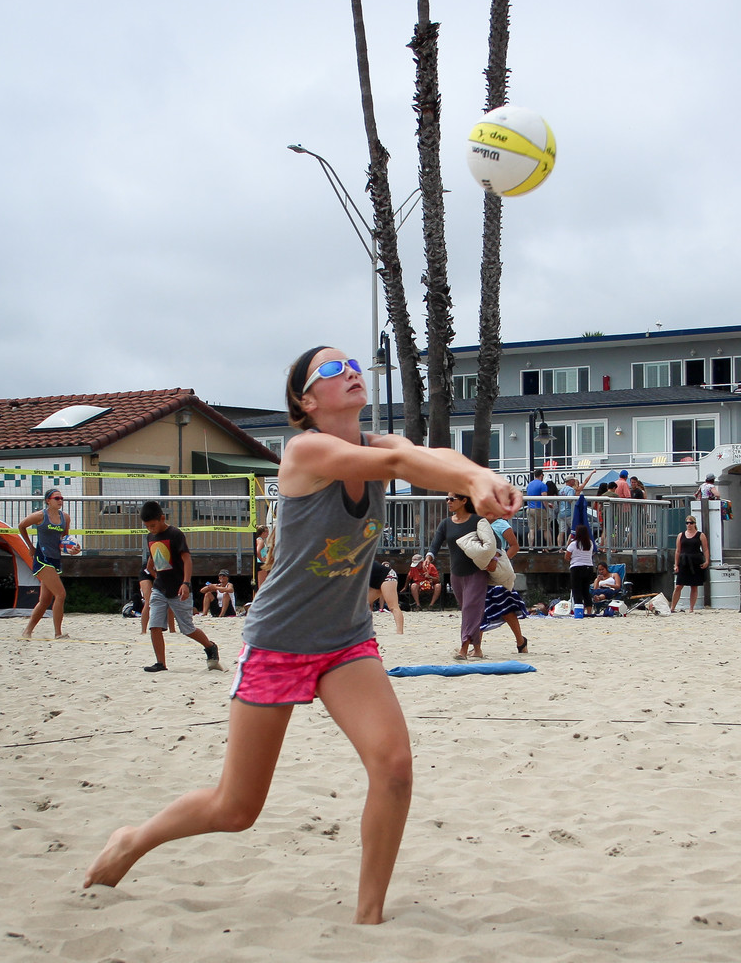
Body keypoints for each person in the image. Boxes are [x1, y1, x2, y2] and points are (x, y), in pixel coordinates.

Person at [86, 346, 519, 925]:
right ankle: (131, 840)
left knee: (394, 767)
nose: (352, 372)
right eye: (333, 370)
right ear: (305, 401)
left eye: (353, 365)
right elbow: (399, 464)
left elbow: (423, 456)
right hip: (278, 644)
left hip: (346, 643)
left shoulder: (381, 446)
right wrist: (471, 476)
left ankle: (369, 918)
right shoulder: (305, 451)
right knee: (236, 808)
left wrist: (480, 475)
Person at [138, 501, 222, 674]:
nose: (151, 529)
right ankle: (160, 663)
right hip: (159, 589)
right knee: (155, 626)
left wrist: (186, 583)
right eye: (147, 527)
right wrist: (156, 576)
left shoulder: (175, 534)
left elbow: (187, 559)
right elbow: (152, 561)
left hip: (179, 588)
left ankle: (210, 646)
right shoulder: (150, 537)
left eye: (153, 525)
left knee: (187, 628)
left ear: (162, 518)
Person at [427, 493, 493, 659]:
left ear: (464, 501)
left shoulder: (478, 521)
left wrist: (495, 559)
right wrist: (429, 556)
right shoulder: (446, 523)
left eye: (452, 499)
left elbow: (493, 543)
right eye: (447, 499)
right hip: (456, 574)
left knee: (470, 609)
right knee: (468, 611)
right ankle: (477, 649)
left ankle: (463, 649)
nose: (448, 502)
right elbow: (436, 543)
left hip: (477, 572)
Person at [18, 488, 79, 640]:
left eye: (61, 498)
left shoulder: (65, 517)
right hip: (42, 559)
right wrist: (30, 547)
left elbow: (64, 540)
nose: (60, 501)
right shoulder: (40, 516)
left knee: (44, 601)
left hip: (55, 559)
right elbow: (21, 526)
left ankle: (27, 631)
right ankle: (58, 633)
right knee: (61, 594)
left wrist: (72, 550)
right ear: (48, 500)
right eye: (57, 498)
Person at [482, 516, 529, 653]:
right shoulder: (479, 523)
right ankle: (476, 646)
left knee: (506, 607)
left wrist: (501, 560)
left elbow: (514, 546)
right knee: (480, 607)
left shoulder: (501, 524)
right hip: (482, 568)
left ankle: (520, 640)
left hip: (498, 571)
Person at [671, 515, 709, 613]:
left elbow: (705, 549)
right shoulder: (681, 535)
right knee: (678, 586)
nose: (689, 525)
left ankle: (691, 608)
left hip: (695, 561)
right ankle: (672, 608)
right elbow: (678, 551)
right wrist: (676, 564)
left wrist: (707, 561)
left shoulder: (701, 535)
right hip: (684, 561)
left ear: (694, 524)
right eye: (687, 523)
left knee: (694, 586)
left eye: (691, 523)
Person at [565, 522, 596, 614]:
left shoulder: (573, 544)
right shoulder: (590, 543)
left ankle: (579, 610)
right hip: (588, 567)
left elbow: (567, 557)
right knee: (586, 590)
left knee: (577, 589)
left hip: (576, 567)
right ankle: (589, 611)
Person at [367, 560, 404, 635]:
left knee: (393, 606)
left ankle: (400, 632)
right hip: (376, 580)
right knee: (361, 606)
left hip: (387, 575)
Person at [138, 564, 177, 635]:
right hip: (148, 572)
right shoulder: (156, 558)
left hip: (163, 573)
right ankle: (143, 630)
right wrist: (157, 578)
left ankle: (172, 629)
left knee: (169, 600)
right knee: (148, 601)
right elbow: (149, 567)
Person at [525, 468, 549, 548]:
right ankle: (550, 546)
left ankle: (530, 547)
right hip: (539, 508)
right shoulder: (542, 485)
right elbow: (544, 499)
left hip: (529, 508)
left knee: (532, 529)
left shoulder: (529, 485)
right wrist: (547, 509)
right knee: (546, 529)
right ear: (541, 475)